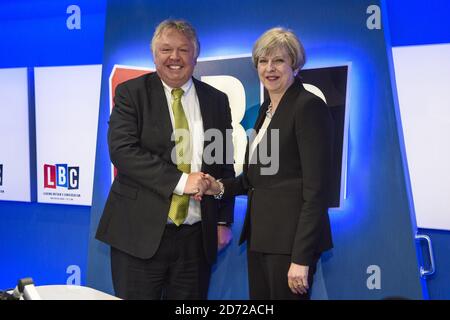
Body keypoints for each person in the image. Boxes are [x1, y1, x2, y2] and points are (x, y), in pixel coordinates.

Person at [96, 19, 235, 300]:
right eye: (166, 49)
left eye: (183, 50)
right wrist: (183, 182)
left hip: (196, 240)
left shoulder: (216, 100)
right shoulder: (130, 93)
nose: (174, 57)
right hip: (137, 237)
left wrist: (222, 221)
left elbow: (224, 161)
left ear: (195, 56)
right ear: (154, 55)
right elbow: (123, 151)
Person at [201, 27, 334, 300]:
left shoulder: (308, 107)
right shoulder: (267, 109)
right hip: (261, 237)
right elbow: (254, 179)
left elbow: (316, 190)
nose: (269, 68)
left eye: (279, 61)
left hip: (291, 244)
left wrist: (301, 257)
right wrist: (217, 187)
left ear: (295, 66)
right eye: (263, 61)